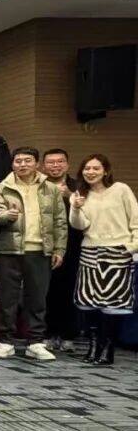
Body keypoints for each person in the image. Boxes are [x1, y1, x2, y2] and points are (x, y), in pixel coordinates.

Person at [0, 147, 68, 361]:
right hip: (9, 249)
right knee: (8, 299)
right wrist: (7, 215)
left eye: (27, 160)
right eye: (18, 161)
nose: (22, 165)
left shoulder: (50, 189)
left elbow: (60, 222)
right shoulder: (1, 188)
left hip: (40, 250)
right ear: (12, 164)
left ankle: (36, 342)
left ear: (37, 164)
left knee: (37, 298)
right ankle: (5, 341)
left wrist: (59, 249)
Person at [69, 154, 138, 367]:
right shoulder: (80, 194)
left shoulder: (120, 189)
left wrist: (132, 246)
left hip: (118, 251)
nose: (91, 172)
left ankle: (108, 348)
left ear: (105, 170)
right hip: (90, 251)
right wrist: (76, 207)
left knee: (114, 304)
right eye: (87, 168)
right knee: (88, 302)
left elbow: (135, 219)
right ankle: (93, 346)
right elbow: (79, 225)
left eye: (96, 168)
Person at [41, 148, 83, 350]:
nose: (55, 166)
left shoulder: (79, 187)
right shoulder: (39, 185)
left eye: (60, 162)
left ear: (67, 164)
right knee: (47, 290)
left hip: (74, 245)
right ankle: (48, 333)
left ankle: (68, 334)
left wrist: (69, 197)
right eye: (51, 162)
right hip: (45, 245)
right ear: (43, 166)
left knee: (69, 289)